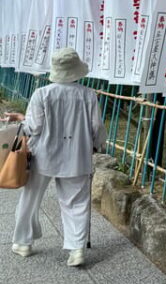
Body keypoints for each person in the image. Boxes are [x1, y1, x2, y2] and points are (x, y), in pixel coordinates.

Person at [3, 48, 107, 267]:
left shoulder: (42, 94)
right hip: (77, 157)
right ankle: (76, 249)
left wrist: (21, 121)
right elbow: (96, 127)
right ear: (76, 70)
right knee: (76, 202)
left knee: (30, 199)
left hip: (44, 155)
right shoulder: (88, 94)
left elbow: (34, 126)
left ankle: (23, 242)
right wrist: (97, 146)